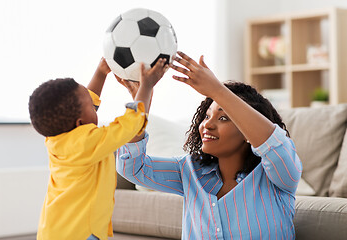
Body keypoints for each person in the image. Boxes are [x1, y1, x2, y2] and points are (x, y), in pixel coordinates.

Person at [116, 51, 302, 239]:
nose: (207, 125)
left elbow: (275, 146)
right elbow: (132, 167)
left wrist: (217, 90)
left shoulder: (279, 178)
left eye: (223, 118)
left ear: (247, 129)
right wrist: (143, 96)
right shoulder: (189, 171)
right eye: (206, 116)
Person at [28, 57, 168, 240]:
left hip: (54, 230)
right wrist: (146, 87)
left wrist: (101, 72)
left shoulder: (57, 139)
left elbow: (85, 103)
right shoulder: (87, 143)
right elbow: (131, 123)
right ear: (80, 123)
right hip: (79, 233)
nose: (95, 107)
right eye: (92, 108)